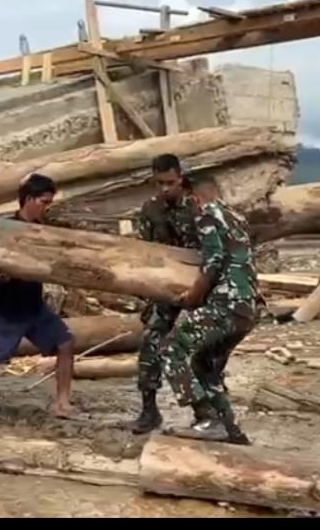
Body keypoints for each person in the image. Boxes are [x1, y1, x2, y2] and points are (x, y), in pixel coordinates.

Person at [0, 173, 74, 427]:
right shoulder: (3, 230)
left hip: (33, 306)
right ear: (28, 199)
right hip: (5, 309)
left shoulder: (42, 231)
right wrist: (1, 276)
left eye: (49, 203)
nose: (47, 207)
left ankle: (62, 402)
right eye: (43, 202)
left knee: (66, 344)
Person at [164, 173, 258, 445]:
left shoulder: (206, 213)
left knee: (172, 348)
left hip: (226, 303)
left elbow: (213, 261)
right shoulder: (235, 217)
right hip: (248, 306)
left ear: (193, 196)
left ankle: (208, 419)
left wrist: (193, 297)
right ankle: (232, 431)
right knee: (205, 364)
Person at [130, 154, 206, 435]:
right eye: (159, 183)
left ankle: (205, 413)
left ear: (181, 177)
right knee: (150, 344)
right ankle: (149, 410)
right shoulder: (150, 210)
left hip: (201, 289)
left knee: (196, 351)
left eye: (170, 183)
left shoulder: (199, 207)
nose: (165, 189)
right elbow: (145, 254)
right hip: (165, 291)